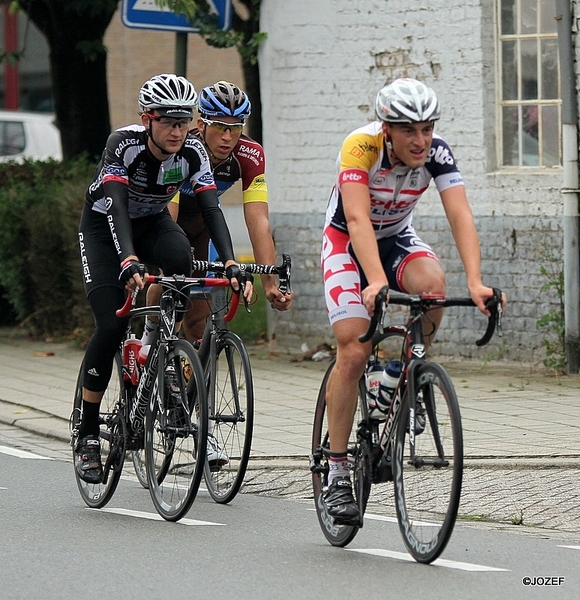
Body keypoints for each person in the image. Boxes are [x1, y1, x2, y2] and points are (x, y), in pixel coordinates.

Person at [320, 78, 506, 524]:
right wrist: (377, 282)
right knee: (353, 349)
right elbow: (358, 218)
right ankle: (337, 472)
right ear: (387, 129)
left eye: (427, 128)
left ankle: (399, 376)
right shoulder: (360, 147)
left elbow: (459, 213)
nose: (420, 140)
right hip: (347, 241)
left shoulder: (437, 152)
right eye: (409, 131)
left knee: (433, 286)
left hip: (398, 238)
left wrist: (477, 282)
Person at [75, 73, 252, 484]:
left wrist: (230, 264)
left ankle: (162, 351)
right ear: (147, 119)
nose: (178, 131)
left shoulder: (192, 150)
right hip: (105, 229)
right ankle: (86, 432)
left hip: (152, 221)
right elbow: (116, 206)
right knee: (111, 322)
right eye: (169, 122)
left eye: (185, 121)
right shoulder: (124, 144)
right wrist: (128, 261)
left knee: (182, 262)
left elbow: (212, 211)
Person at [141, 80, 293, 345]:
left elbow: (258, 220)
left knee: (199, 317)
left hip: (203, 223)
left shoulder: (250, 155)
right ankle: (148, 338)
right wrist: (171, 253)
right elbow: (170, 211)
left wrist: (269, 281)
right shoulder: (181, 148)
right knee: (171, 279)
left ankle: (191, 376)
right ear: (201, 125)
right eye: (221, 127)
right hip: (166, 217)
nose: (228, 137)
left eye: (235, 129)